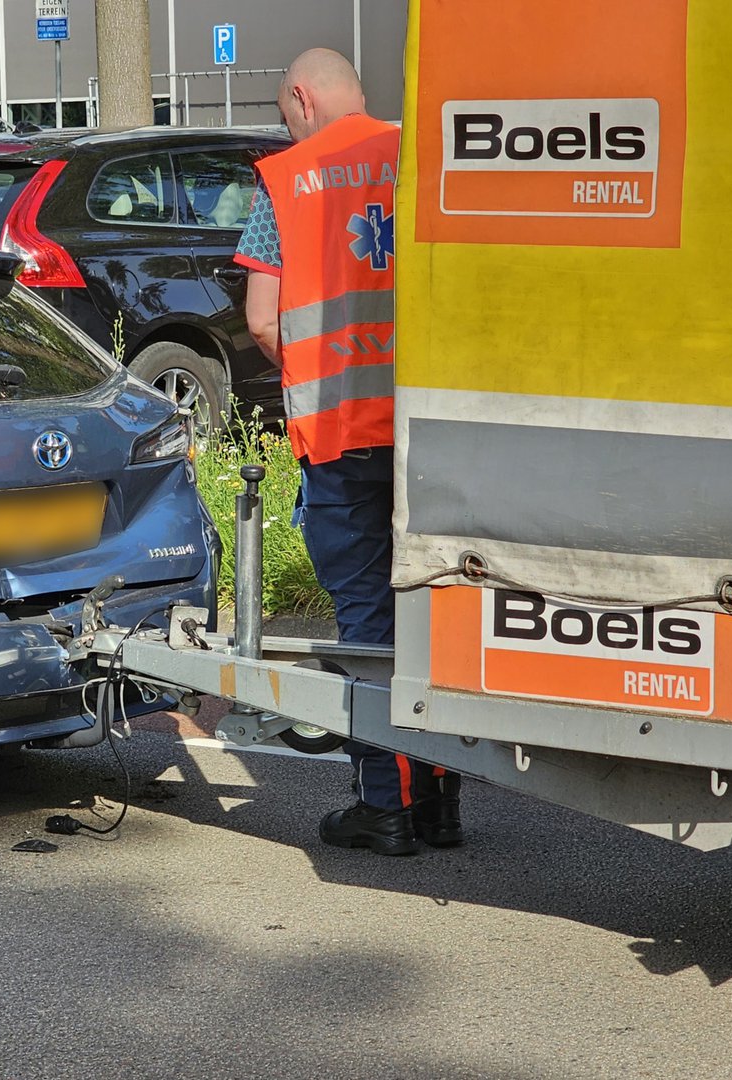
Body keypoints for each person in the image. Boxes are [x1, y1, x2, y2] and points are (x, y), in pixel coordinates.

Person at [233, 48, 463, 856]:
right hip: (434, 429)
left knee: (368, 622)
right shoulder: (427, 148)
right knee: (433, 611)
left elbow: (264, 320)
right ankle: (440, 805)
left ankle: (387, 806)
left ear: (299, 97)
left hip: (340, 430)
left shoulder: (287, 181)